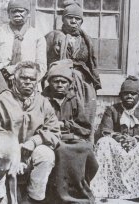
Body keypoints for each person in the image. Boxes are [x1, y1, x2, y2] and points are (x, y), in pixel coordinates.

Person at [0, 61, 61, 203]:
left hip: (30, 153)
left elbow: (54, 131)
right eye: (24, 78)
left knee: (46, 154)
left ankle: (33, 198)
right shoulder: (1, 100)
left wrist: (34, 142)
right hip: (6, 154)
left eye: (32, 79)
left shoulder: (43, 102)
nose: (28, 82)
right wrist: (11, 148)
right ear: (14, 79)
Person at [91, 76, 139, 203]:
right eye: (125, 93)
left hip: (136, 152)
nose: (129, 96)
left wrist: (135, 140)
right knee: (104, 142)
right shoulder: (111, 111)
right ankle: (101, 190)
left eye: (133, 94)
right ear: (120, 95)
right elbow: (106, 130)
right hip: (116, 151)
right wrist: (118, 137)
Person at [41, 59, 98, 203]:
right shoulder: (42, 99)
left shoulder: (73, 100)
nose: (60, 85)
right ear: (49, 82)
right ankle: (60, 195)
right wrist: (54, 127)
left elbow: (85, 127)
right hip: (51, 139)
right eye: (56, 81)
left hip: (71, 137)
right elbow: (37, 124)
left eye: (64, 82)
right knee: (62, 151)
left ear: (69, 84)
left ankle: (79, 192)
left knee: (86, 149)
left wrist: (66, 125)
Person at [45, 1, 101, 134]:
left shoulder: (86, 39)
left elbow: (91, 63)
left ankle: (84, 141)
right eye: (70, 18)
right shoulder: (53, 36)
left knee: (84, 111)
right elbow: (45, 60)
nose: (74, 21)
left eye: (77, 19)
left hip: (83, 83)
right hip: (60, 80)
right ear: (63, 19)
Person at [0, 0, 47, 88]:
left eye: (21, 11)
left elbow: (41, 66)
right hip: (2, 81)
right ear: (8, 14)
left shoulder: (37, 35)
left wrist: (24, 77)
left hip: (28, 84)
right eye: (14, 11)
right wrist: (3, 70)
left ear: (28, 13)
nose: (17, 14)